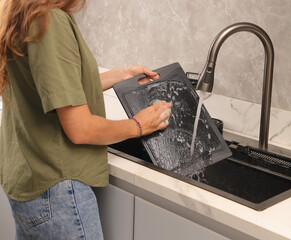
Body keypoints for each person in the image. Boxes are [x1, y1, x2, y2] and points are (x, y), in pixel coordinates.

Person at [0, 0, 171, 239]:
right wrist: (138, 125)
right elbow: (80, 128)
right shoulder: (50, 21)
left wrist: (119, 75)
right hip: (57, 191)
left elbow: (53, 87)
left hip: (31, 182)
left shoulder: (23, 13)